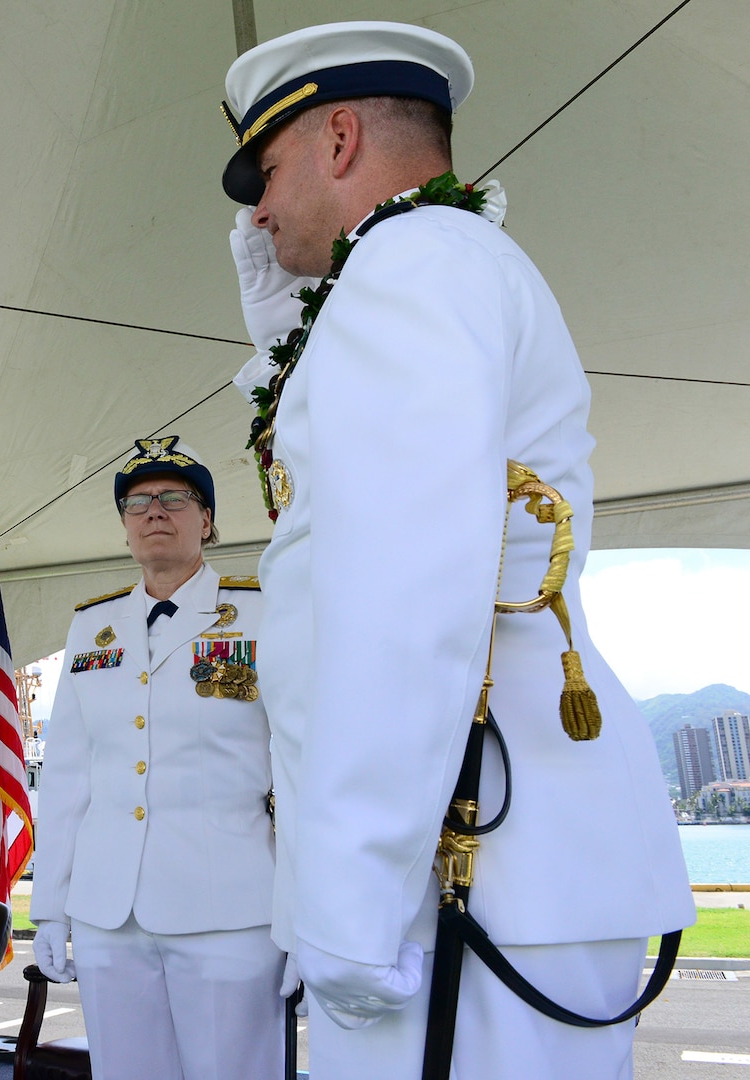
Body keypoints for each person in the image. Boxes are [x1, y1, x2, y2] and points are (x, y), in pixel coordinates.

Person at [219, 23, 694, 1079]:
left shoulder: (412, 263)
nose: (256, 209)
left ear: (340, 138)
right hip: (500, 869)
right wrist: (286, 324)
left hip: (459, 875)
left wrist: (348, 897)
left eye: (271, 169)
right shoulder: (436, 264)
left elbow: (398, 595)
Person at [30, 436, 284, 1079]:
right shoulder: (94, 627)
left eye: (176, 497)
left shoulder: (262, 614)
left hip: (230, 911)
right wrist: (52, 907)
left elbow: (300, 773)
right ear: (123, 527)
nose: (155, 512)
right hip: (108, 913)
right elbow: (66, 780)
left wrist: (308, 912)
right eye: (138, 502)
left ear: (208, 521)